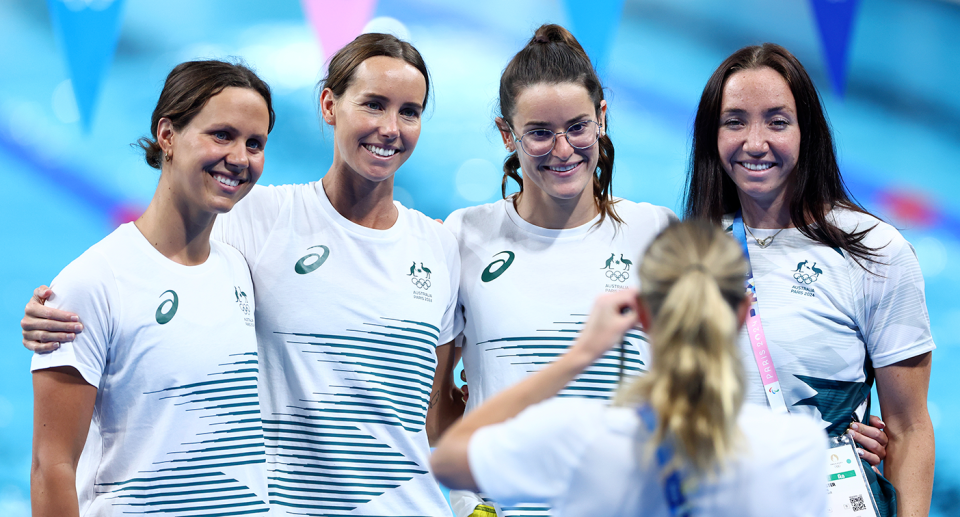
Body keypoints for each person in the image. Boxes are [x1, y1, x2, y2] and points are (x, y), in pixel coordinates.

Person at [24, 34, 461, 516]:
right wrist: (54, 310)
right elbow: (145, 260)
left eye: (410, 112)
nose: (390, 128)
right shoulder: (254, 219)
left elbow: (437, 413)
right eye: (373, 104)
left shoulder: (440, 245)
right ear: (329, 105)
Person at [684, 43, 935, 517]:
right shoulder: (688, 252)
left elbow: (910, 427)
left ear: (807, 133)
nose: (754, 142)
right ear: (711, 136)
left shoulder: (875, 252)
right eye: (734, 121)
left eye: (777, 122)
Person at [431, 220, 828, 517]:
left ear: (642, 315)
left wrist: (579, 355)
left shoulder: (582, 436)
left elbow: (448, 459)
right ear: (742, 313)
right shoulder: (798, 446)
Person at [440, 24, 676, 517]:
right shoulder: (465, 236)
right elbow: (436, 397)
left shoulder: (653, 231)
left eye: (577, 127)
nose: (563, 149)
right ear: (508, 134)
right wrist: (468, 504)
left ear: (601, 119)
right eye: (540, 133)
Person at [30, 60, 274, 516]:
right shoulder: (94, 281)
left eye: (255, 143)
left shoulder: (241, 268)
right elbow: (51, 465)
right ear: (167, 136)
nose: (240, 158)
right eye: (222, 135)